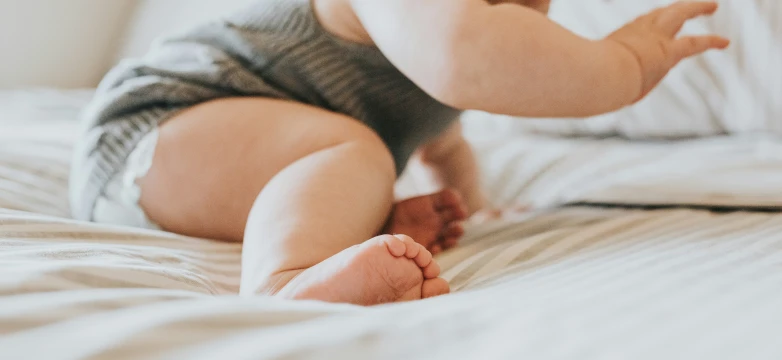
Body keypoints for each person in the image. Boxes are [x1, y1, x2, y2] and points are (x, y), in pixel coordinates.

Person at [70, 0, 729, 306]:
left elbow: (442, 141)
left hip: (193, 175)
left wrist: (471, 206)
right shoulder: (421, 23)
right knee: (352, 152)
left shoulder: (429, 66)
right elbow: (462, 55)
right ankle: (283, 286)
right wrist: (618, 64)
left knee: (359, 164)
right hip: (151, 133)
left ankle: (357, 227)